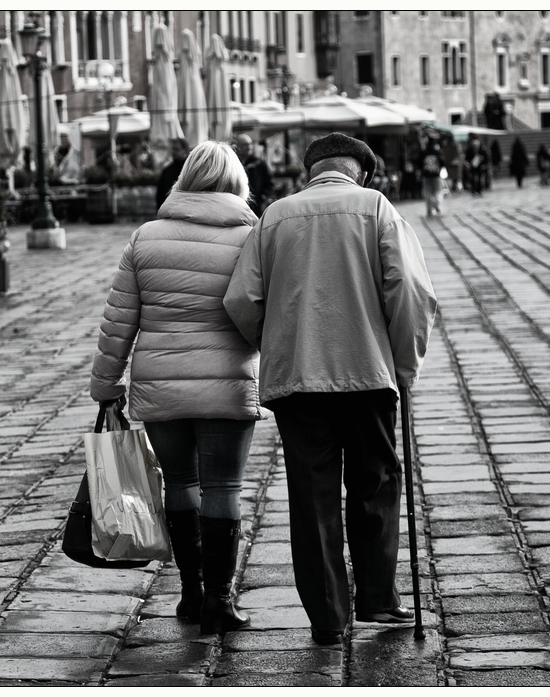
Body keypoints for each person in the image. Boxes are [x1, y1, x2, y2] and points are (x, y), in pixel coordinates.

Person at [223, 132, 437, 647]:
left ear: (310, 172)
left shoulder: (275, 216)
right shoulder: (377, 208)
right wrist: (404, 366)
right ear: (359, 172)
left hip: (298, 380)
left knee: (311, 497)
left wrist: (278, 341)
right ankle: (379, 599)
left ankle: (328, 617)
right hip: (366, 374)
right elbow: (409, 291)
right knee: (376, 483)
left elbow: (241, 299)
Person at [91, 141, 263, 636]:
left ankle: (189, 593)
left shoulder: (147, 237)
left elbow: (118, 320)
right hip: (229, 382)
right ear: (237, 181)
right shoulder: (252, 236)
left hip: (160, 383)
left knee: (180, 483)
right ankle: (220, 601)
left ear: (185, 176)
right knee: (224, 487)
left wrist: (106, 383)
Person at [235, 134, 274, 216]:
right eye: (245, 144)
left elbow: (270, 182)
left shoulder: (259, 163)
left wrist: (263, 197)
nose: (249, 146)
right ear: (238, 147)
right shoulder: (234, 163)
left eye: (250, 144)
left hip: (256, 205)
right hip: (238, 204)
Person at [155, 137, 190, 213]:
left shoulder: (191, 170)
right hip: (169, 211)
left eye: (177, 149)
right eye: (173, 149)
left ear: (185, 151)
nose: (173, 152)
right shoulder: (167, 171)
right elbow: (160, 195)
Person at [419, 138, 446, 217]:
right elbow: (443, 163)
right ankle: (436, 204)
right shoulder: (438, 152)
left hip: (426, 175)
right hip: (436, 175)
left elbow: (418, 162)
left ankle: (429, 210)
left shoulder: (423, 152)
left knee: (428, 193)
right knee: (437, 192)